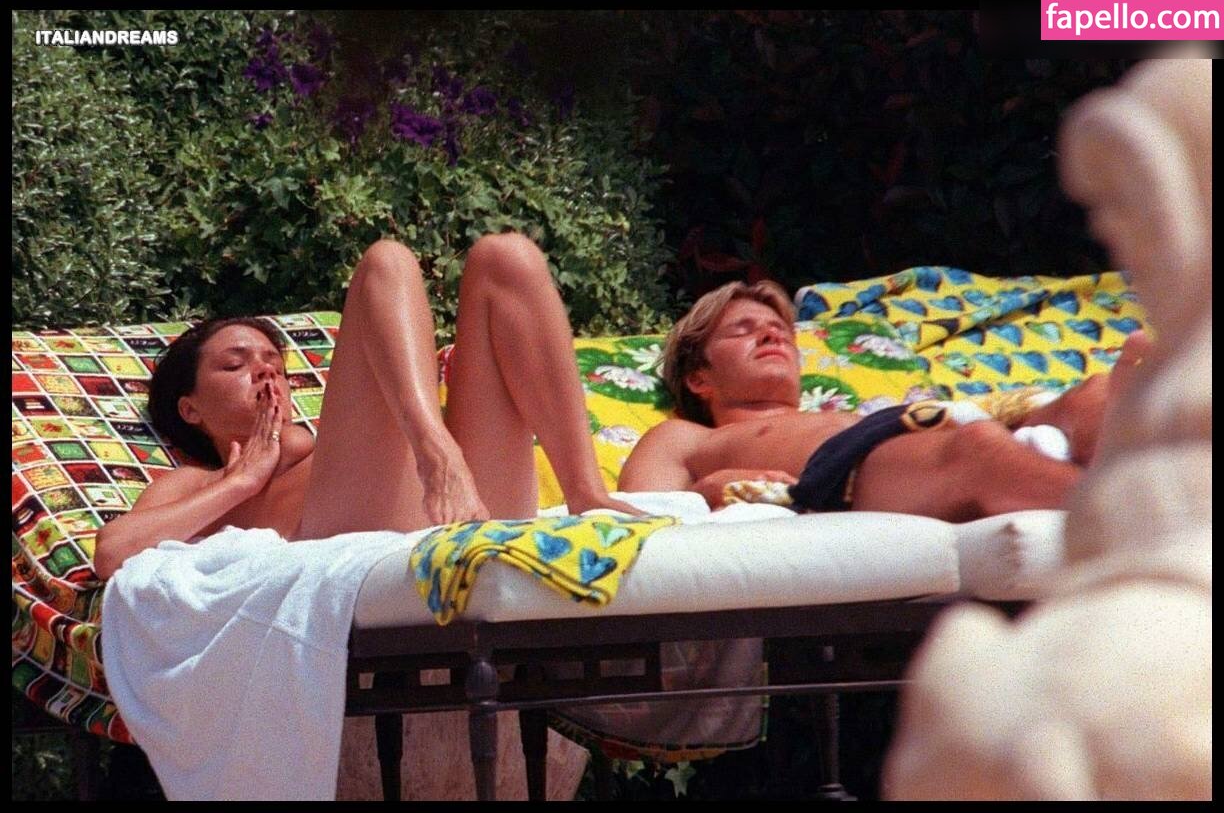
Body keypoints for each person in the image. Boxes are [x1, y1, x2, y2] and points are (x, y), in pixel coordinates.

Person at [94, 234, 637, 579]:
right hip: (365, 535)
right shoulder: (194, 482)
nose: (264, 370)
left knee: (506, 257)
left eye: (273, 361)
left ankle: (584, 491)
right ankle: (436, 452)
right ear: (190, 409)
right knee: (387, 261)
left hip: (466, 504)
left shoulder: (327, 447)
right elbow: (113, 553)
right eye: (235, 365)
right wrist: (242, 482)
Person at [619, 280, 1150, 522]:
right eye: (744, 330)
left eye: (781, 330)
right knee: (979, 450)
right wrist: (709, 489)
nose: (772, 334)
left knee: (1089, 396)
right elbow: (641, 520)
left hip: (913, 424)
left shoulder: (828, 414)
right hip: (840, 471)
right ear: (699, 379)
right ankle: (1146, 517)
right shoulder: (684, 437)